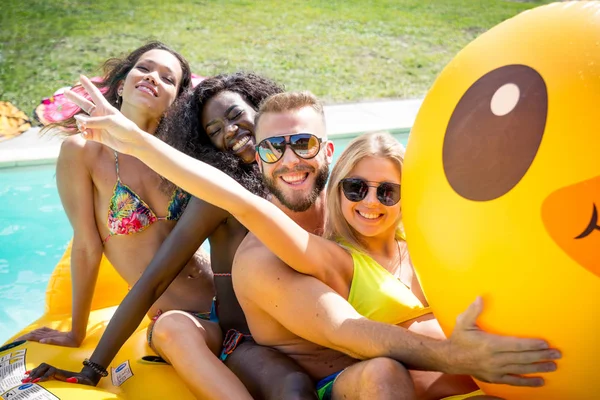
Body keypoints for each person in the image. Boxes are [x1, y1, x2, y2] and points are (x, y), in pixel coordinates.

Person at [58, 84, 560, 399]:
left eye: (303, 144)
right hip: (331, 371)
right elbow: (350, 333)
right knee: (377, 372)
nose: (290, 159)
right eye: (274, 147)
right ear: (259, 154)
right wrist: (133, 138)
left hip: (424, 365)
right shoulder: (270, 246)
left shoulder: (369, 215)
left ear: (328, 150)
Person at [26, 73, 318, 400]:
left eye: (235, 116)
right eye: (215, 131)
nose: (231, 130)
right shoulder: (217, 196)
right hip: (246, 339)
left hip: (307, 327)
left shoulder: (302, 177)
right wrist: (91, 370)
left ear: (260, 108)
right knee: (293, 387)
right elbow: (154, 279)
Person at [17, 42, 215, 351]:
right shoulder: (83, 152)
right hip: (176, 319)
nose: (152, 78)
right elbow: (86, 245)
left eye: (167, 78)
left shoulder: (176, 154)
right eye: (145, 68)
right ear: (122, 85)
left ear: (175, 102)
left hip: (227, 297)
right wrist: (76, 332)